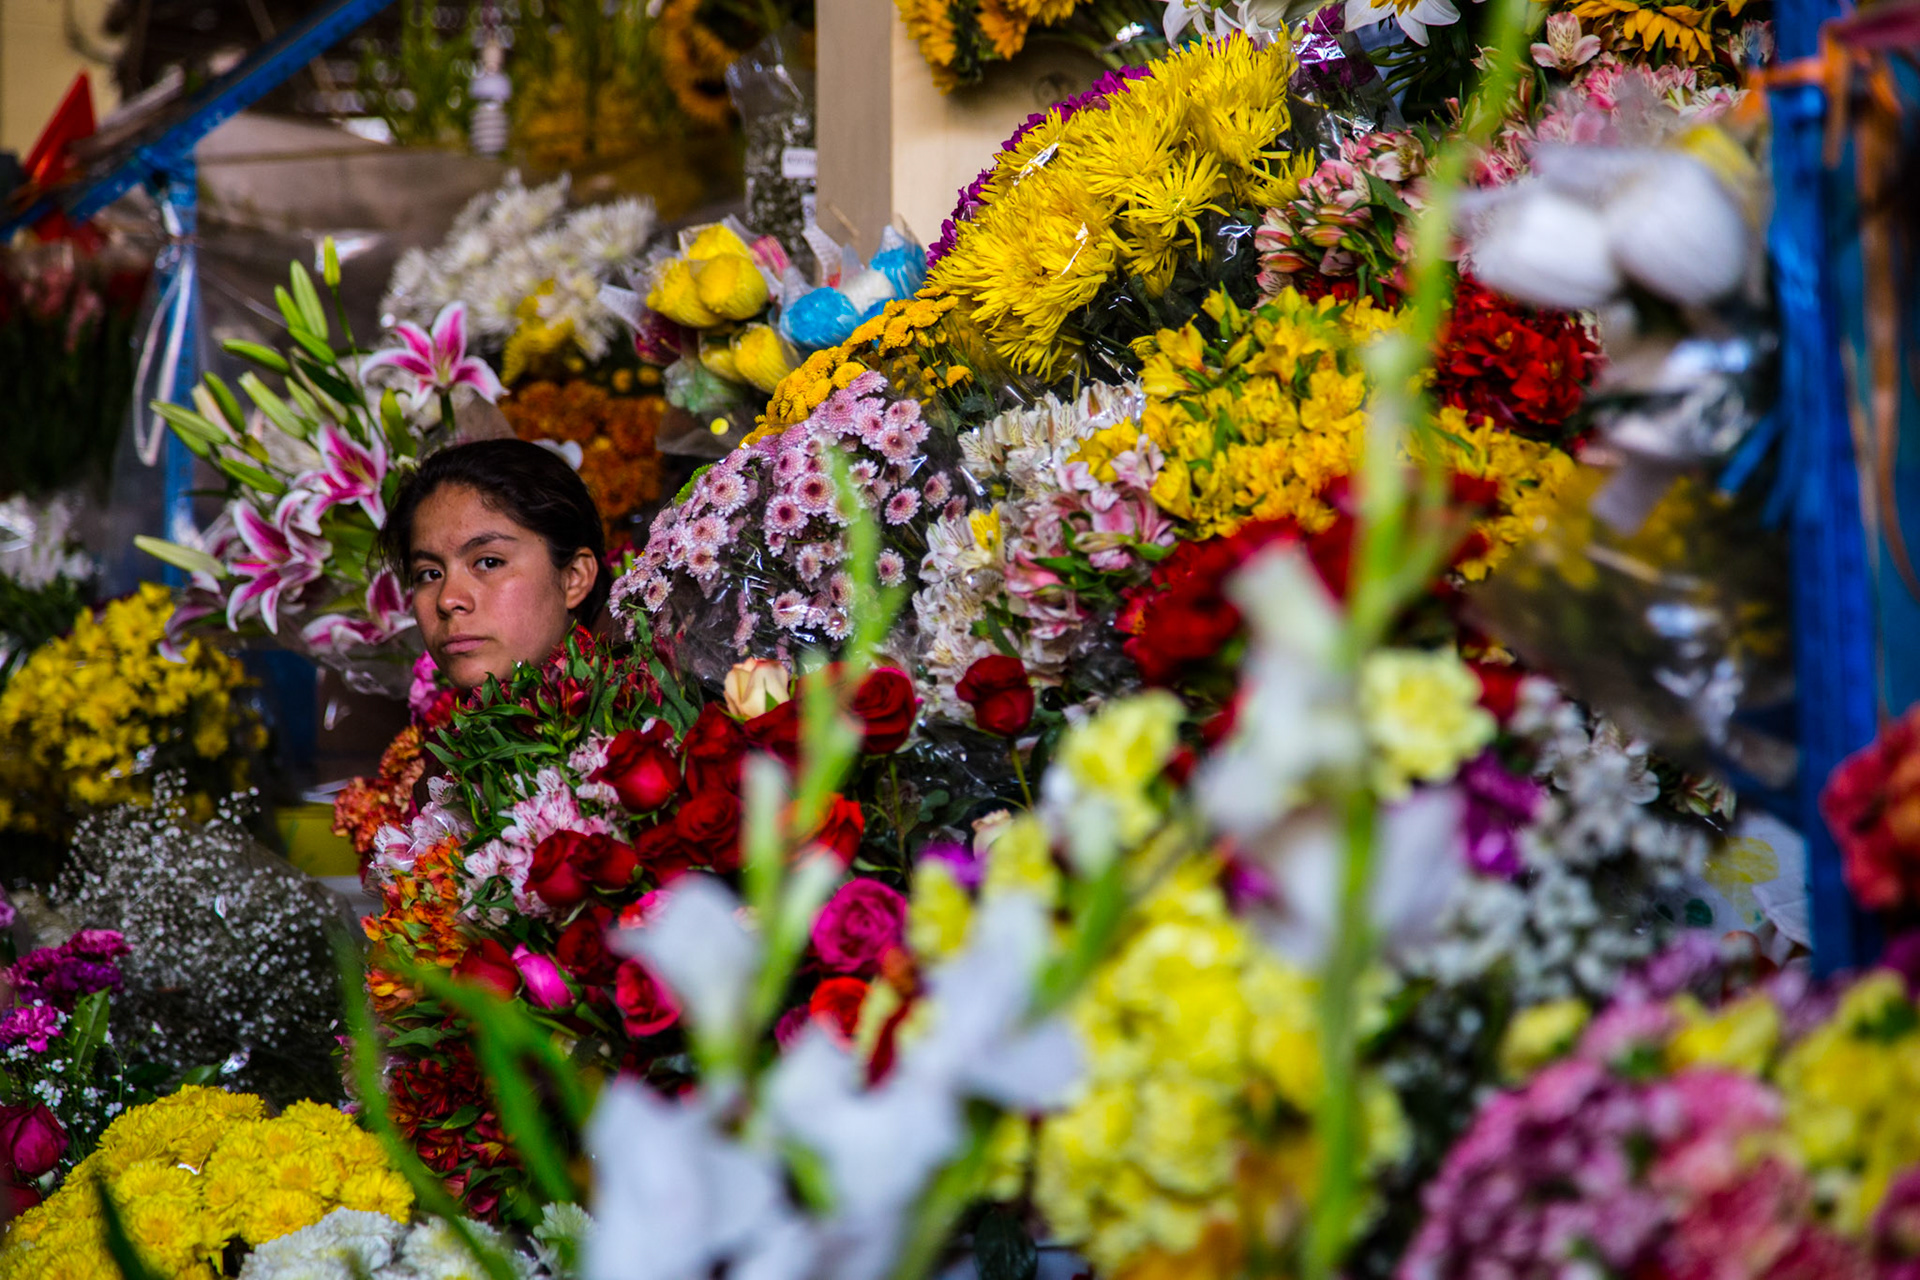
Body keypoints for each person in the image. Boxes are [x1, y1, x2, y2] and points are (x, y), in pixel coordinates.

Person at [382, 439, 607, 690]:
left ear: (575, 578)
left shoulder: (647, 718)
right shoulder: (443, 726)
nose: (447, 600)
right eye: (429, 574)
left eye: (489, 562)